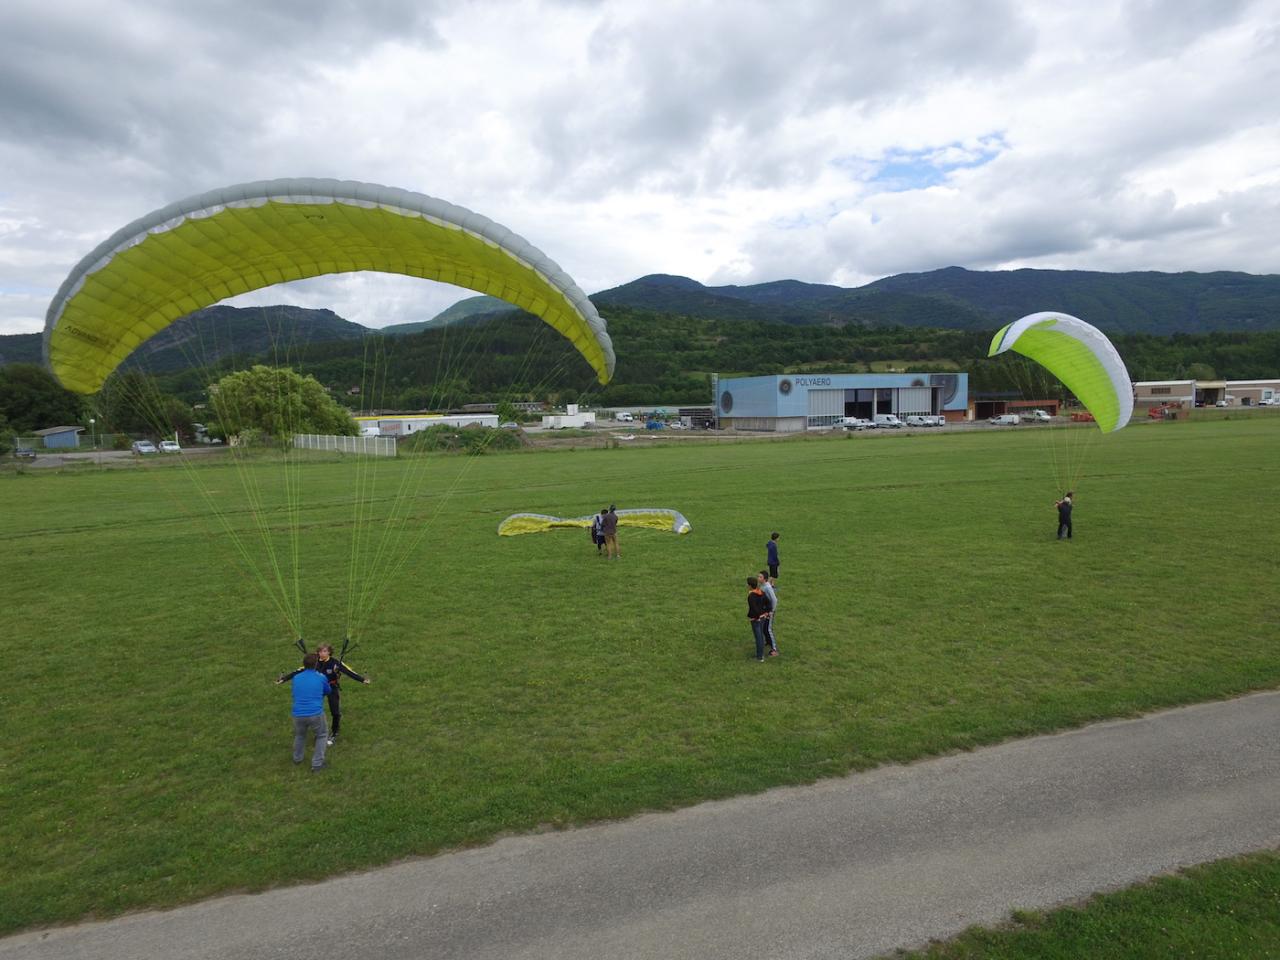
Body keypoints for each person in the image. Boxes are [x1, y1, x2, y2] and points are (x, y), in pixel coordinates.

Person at [278, 643, 370, 746]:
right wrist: (284, 679)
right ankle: (318, 731)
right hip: (318, 687)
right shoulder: (314, 662)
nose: (322, 654)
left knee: (335, 711)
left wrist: (362, 680)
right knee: (313, 709)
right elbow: (298, 671)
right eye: (320, 651)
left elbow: (349, 672)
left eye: (325, 651)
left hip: (331, 687)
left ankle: (335, 732)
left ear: (329, 652)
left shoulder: (335, 663)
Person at [285, 652, 330, 771]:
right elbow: (328, 691)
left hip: (298, 713)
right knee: (322, 735)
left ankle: (297, 758)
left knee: (300, 735)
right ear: (316, 664)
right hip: (315, 713)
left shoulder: (296, 677)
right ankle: (317, 764)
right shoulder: (321, 677)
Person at [746, 575, 770, 662]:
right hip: (763, 617)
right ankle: (760, 655)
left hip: (756, 619)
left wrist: (756, 617)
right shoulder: (761, 592)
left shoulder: (751, 596)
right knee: (760, 636)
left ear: (750, 586)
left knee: (758, 637)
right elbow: (768, 603)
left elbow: (754, 608)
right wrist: (766, 612)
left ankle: (760, 657)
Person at [758, 570, 779, 656]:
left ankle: (774, 649)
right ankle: (768, 641)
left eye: (760, 577)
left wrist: (771, 611)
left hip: (769, 612)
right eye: (758, 576)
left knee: (768, 629)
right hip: (765, 611)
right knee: (764, 628)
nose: (758, 578)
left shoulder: (768, 587)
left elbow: (774, 600)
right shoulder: (762, 585)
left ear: (765, 579)